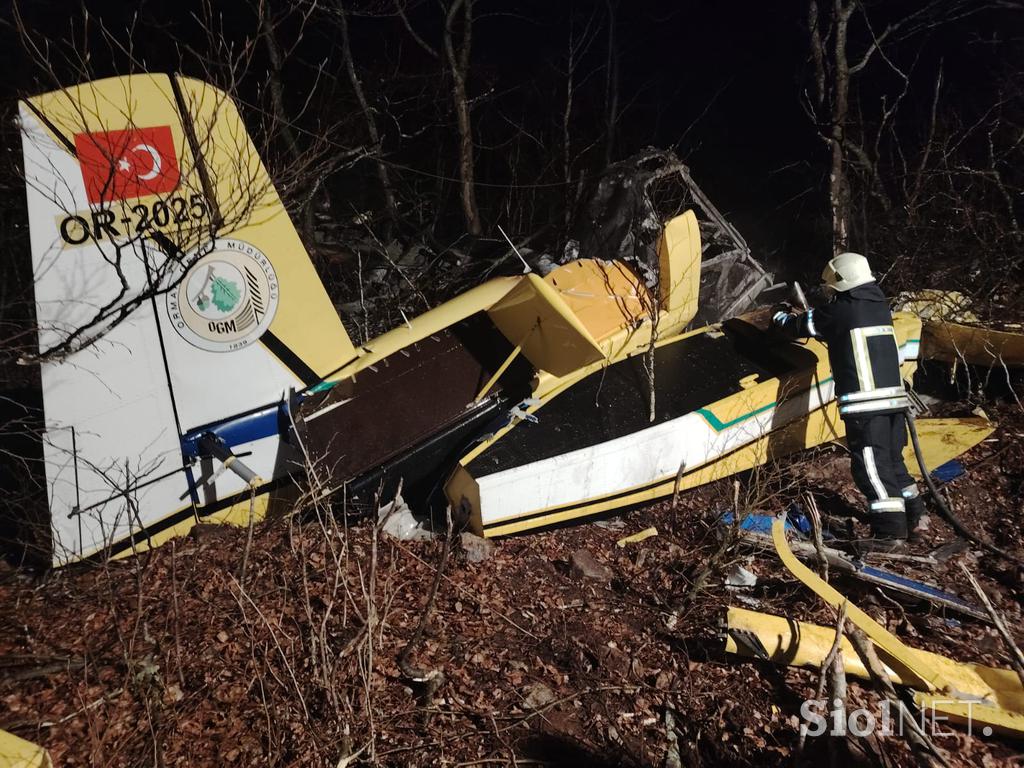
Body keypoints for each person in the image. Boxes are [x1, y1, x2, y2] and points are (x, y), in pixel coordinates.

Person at [772, 252, 925, 551]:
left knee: (871, 467)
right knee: (893, 462)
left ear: (842, 281)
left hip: (866, 405)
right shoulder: (877, 305)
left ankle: (890, 533)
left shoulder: (842, 311)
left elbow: (796, 327)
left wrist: (779, 314)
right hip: (893, 402)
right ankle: (917, 517)